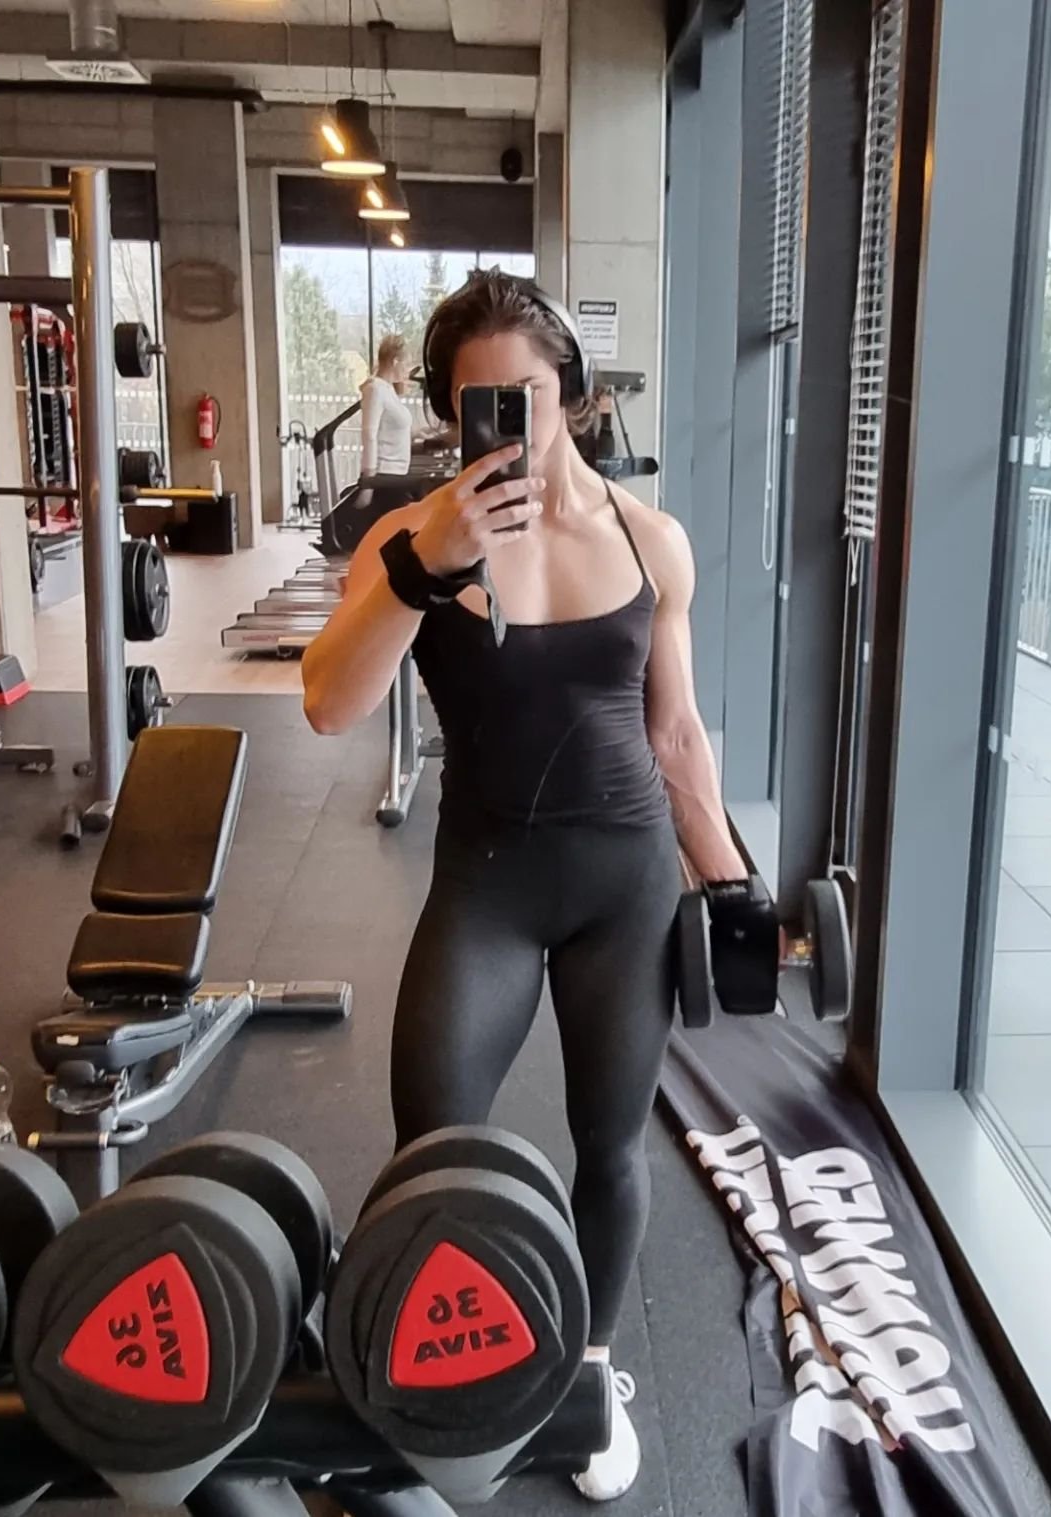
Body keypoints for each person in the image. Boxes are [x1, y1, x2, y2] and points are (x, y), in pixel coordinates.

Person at [301, 271, 749, 1502]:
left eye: (530, 397)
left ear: (576, 396)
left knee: (611, 1143)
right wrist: (423, 569)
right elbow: (329, 703)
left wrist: (730, 883)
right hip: (488, 883)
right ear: (450, 412)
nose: (510, 424)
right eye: (480, 403)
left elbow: (676, 735)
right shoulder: (409, 539)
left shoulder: (651, 540)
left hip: (624, 882)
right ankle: (441, 1370)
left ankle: (589, 1375)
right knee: (433, 1140)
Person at [359, 332, 415, 478]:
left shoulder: (388, 390)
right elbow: (369, 435)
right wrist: (369, 479)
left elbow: (392, 431)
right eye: (406, 364)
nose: (407, 370)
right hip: (383, 473)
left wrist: (418, 434)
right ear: (395, 362)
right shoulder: (375, 389)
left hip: (397, 474)